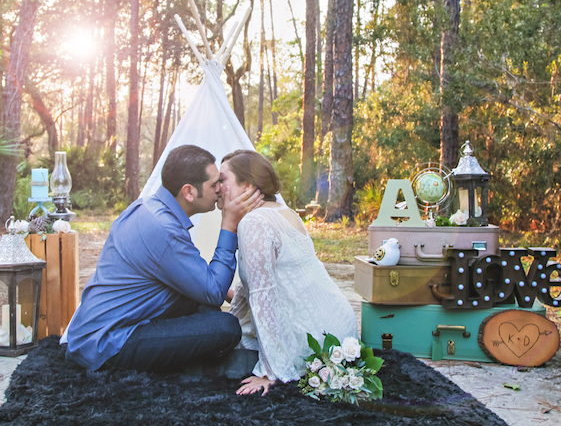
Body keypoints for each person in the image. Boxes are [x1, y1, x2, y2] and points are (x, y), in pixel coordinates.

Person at [61, 144, 263, 372]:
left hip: (100, 329)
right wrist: (229, 224)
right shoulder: (164, 229)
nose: (219, 189)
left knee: (205, 308)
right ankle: (196, 372)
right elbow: (213, 292)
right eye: (214, 183)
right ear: (189, 192)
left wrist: (229, 294)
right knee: (226, 327)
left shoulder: (148, 207)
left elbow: (185, 276)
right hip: (106, 344)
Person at [220, 150, 359, 396]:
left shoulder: (254, 223)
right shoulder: (284, 212)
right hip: (340, 327)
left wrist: (269, 372)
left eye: (223, 180)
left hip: (316, 341)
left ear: (248, 187)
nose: (217, 187)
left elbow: (264, 297)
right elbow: (252, 283)